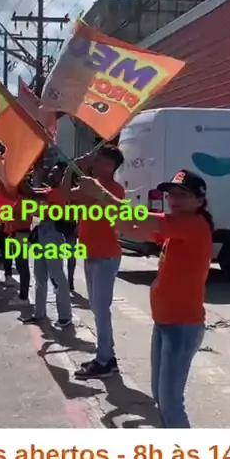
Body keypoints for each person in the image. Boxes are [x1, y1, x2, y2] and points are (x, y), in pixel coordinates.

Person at [76, 169, 213, 428]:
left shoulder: (193, 224)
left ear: (199, 201)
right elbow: (132, 228)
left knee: (171, 404)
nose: (174, 199)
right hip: (165, 323)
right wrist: (104, 206)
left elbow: (138, 217)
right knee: (162, 399)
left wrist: (101, 194)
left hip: (182, 327)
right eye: (172, 194)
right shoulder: (177, 226)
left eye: (182, 195)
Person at [62, 144, 125, 379]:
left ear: (110, 166)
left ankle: (105, 359)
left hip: (106, 256)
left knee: (101, 310)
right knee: (98, 309)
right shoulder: (90, 186)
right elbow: (64, 196)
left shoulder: (114, 190)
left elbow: (97, 204)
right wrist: (71, 168)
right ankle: (106, 356)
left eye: (97, 159)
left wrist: (85, 181)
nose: (93, 162)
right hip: (91, 254)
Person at [21, 164, 73, 328]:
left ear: (64, 177)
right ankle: (39, 313)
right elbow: (30, 193)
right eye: (51, 171)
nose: (51, 174)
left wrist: (19, 177)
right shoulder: (50, 190)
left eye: (55, 172)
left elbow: (31, 193)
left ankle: (65, 315)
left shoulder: (60, 192)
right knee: (39, 275)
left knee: (57, 275)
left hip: (52, 234)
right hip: (43, 231)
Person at [4, 195, 33, 305]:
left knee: (22, 266)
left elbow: (21, 218)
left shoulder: (23, 200)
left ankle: (24, 297)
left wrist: (10, 219)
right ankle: (23, 295)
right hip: (19, 234)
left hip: (21, 235)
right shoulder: (22, 199)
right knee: (21, 265)